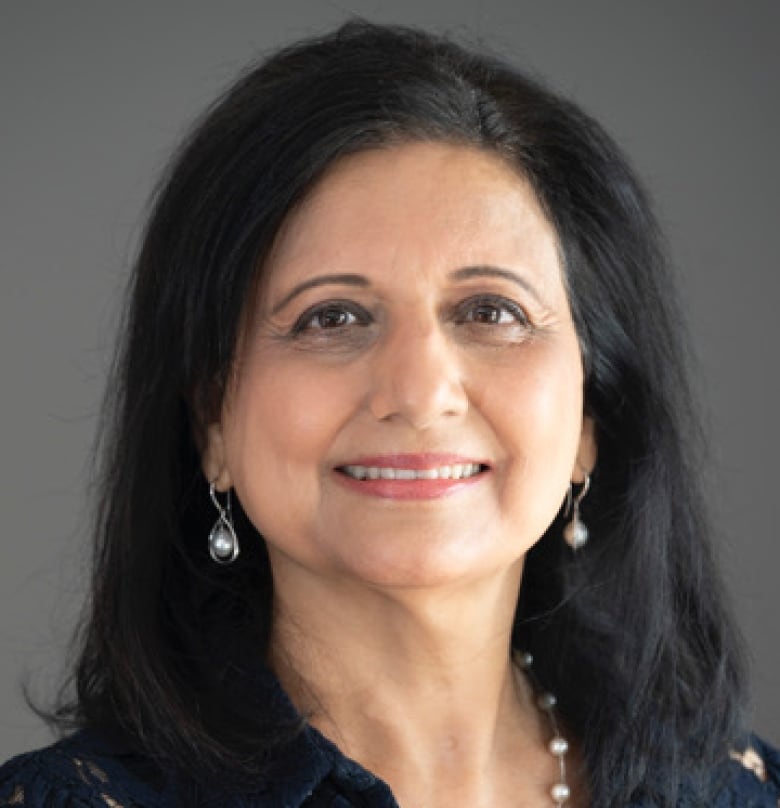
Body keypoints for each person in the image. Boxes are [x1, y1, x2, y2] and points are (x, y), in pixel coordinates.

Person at [0, 20, 777, 808]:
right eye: (331, 318)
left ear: (589, 421)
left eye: (490, 311)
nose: (417, 390)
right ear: (212, 425)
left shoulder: (738, 792)